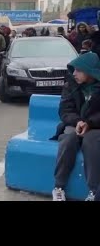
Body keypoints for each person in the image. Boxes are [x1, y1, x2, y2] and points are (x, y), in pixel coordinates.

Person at [51, 52, 100, 201]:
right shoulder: (70, 85)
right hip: (74, 124)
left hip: (95, 127)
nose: (74, 73)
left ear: (90, 71)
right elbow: (65, 110)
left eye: (78, 70)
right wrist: (78, 121)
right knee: (69, 138)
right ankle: (58, 187)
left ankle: (94, 192)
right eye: (73, 70)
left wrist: (90, 123)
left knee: (91, 142)